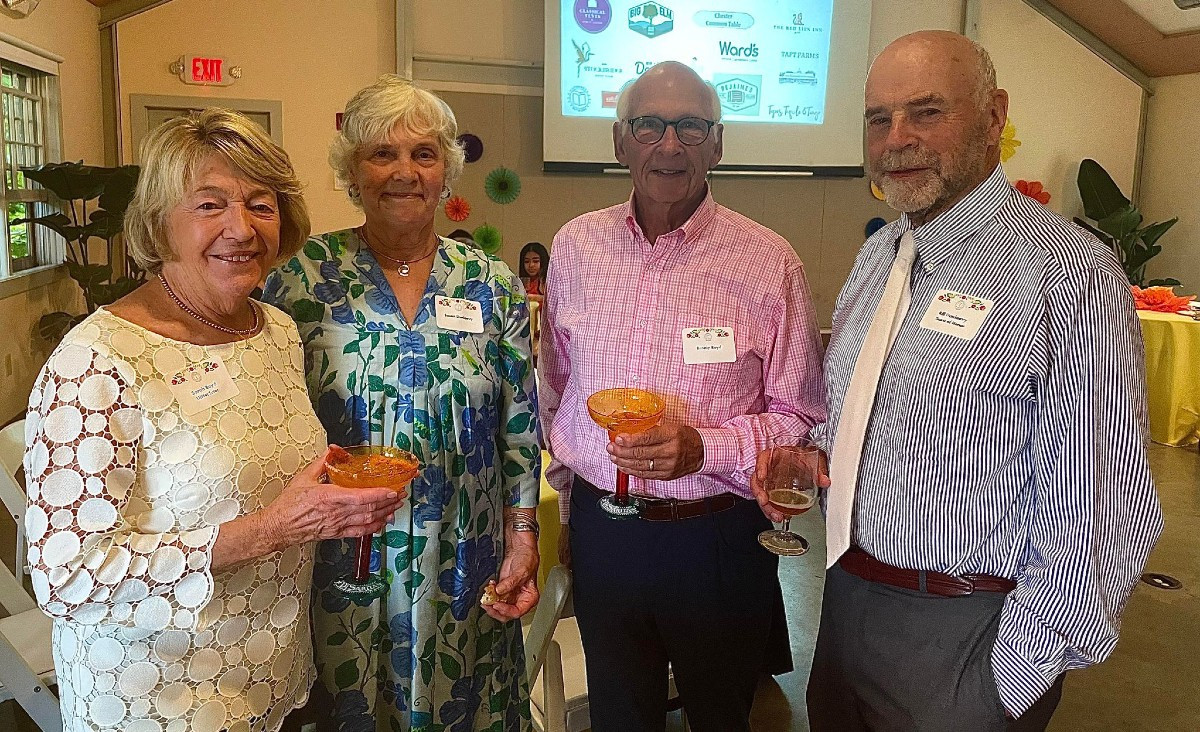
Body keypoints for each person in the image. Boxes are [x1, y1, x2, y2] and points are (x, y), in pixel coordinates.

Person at [767, 31, 1162, 731]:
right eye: (878, 119)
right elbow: (870, 412)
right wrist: (816, 453)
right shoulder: (879, 256)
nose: (897, 140)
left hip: (966, 635)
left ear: (993, 116)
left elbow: (1105, 516)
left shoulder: (1066, 276)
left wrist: (1001, 686)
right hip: (846, 602)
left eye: (926, 112)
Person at [22, 109, 405, 732]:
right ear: (157, 222)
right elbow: (70, 578)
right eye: (209, 205)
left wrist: (330, 498)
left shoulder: (272, 329)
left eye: (260, 203)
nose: (242, 228)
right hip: (159, 698)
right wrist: (269, 530)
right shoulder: (98, 361)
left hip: (273, 678)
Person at [539, 61, 825, 732]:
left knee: (720, 714)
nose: (670, 145)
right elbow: (555, 387)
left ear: (717, 143)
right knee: (618, 713)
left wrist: (706, 448)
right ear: (620, 142)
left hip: (718, 540)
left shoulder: (769, 261)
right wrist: (570, 504)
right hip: (604, 531)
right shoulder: (576, 246)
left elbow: (802, 418)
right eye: (650, 125)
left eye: (691, 126)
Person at [262, 75, 541, 731]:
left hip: (466, 557)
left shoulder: (490, 283)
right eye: (382, 154)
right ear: (351, 171)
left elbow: (520, 428)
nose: (404, 172)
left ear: (446, 172)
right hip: (345, 558)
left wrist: (523, 534)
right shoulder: (300, 280)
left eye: (423, 154)